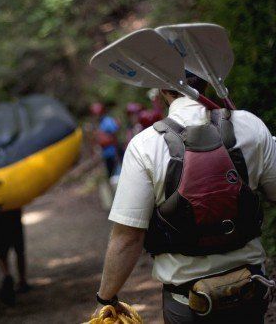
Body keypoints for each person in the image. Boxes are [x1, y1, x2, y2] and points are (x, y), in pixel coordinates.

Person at [93, 74, 276, 323]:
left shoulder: (145, 146)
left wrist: (107, 298)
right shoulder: (250, 125)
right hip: (251, 289)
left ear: (161, 89)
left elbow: (128, 238)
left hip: (187, 303)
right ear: (209, 80)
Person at [0, 208, 30, 306]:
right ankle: (22, 281)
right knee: (19, 252)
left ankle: (7, 276)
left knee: (2, 255)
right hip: (14, 219)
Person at [90, 102, 121, 178]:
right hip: (106, 154)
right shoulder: (99, 124)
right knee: (111, 175)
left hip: (113, 153)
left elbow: (114, 132)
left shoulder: (107, 121)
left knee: (117, 175)